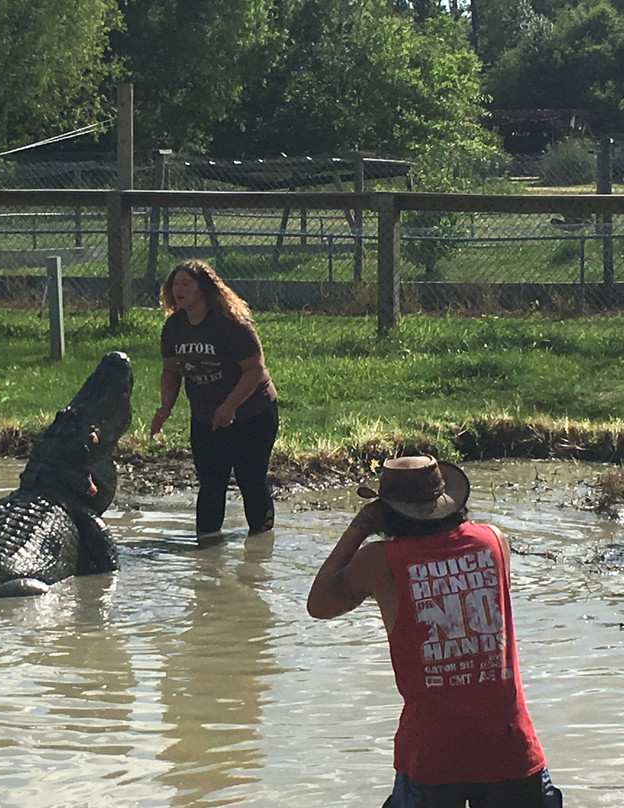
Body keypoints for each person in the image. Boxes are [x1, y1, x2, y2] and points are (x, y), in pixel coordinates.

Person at [307, 455, 563, 808]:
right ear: (448, 502)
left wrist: (360, 526)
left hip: (430, 751)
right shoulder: (494, 542)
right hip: (508, 744)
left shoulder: (379, 561)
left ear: (387, 511)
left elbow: (318, 604)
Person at [149, 259, 279, 540]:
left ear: (203, 290)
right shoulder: (174, 328)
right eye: (175, 284)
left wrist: (229, 407)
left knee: (251, 479)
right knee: (210, 483)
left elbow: (254, 369)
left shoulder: (231, 325)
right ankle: (207, 550)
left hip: (253, 414)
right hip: (206, 416)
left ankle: (260, 548)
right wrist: (165, 407)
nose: (178, 289)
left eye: (186, 283)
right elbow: (171, 371)